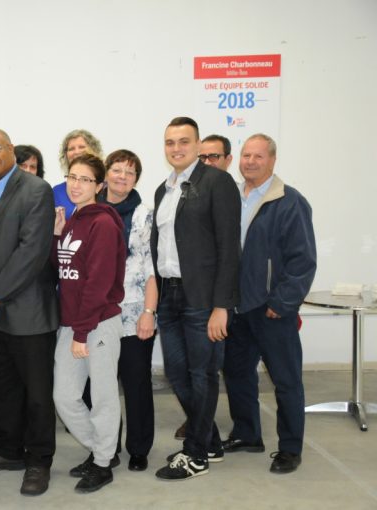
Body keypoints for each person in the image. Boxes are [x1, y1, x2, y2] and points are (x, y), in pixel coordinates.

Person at [0, 129, 59, 497]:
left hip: (27, 312)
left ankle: (38, 460)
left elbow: (31, 252)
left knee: (36, 393)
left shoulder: (35, 190)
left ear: (11, 152)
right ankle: (7, 450)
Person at [152, 117, 241, 481]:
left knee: (202, 374)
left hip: (202, 297)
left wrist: (222, 306)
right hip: (169, 294)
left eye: (184, 141)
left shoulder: (216, 182)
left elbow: (228, 248)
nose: (176, 148)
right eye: (170, 142)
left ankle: (196, 454)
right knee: (176, 371)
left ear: (197, 142)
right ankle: (211, 441)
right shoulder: (163, 189)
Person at [221, 134, 316, 474]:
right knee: (236, 374)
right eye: (246, 155)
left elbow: (302, 261)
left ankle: (290, 448)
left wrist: (284, 301)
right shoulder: (232, 197)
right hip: (238, 307)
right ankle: (247, 434)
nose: (250, 161)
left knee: (286, 380)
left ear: (272, 160)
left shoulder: (289, 202)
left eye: (258, 156)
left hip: (273, 309)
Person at [52, 154, 126, 493]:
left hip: (97, 324)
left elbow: (97, 283)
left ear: (99, 185)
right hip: (73, 323)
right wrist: (56, 237)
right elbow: (64, 269)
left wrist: (82, 332)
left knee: (103, 396)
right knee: (64, 396)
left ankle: (102, 463)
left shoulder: (104, 224)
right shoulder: (72, 221)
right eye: (72, 176)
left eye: (84, 179)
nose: (76, 184)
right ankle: (102, 451)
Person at [97, 149, 158, 472]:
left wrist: (149, 311)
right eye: (117, 170)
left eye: (129, 173)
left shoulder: (145, 213)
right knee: (103, 386)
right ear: (106, 173)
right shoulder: (90, 209)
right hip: (99, 313)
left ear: (136, 179)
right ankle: (107, 447)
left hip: (135, 312)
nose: (122, 177)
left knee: (136, 383)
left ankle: (138, 448)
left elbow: (150, 268)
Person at [53, 130, 103, 220]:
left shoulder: (104, 188)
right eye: (71, 149)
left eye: (81, 147)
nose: (76, 152)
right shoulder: (57, 192)